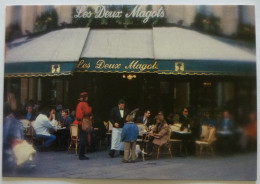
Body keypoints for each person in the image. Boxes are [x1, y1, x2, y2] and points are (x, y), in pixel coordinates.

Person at [3, 93, 25, 172]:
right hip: (12, 126)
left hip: (9, 126)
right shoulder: (13, 106)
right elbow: (14, 116)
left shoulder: (6, 105)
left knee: (7, 143)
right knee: (13, 143)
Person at [73, 92, 92, 160]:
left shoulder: (79, 104)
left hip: (79, 123)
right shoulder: (84, 104)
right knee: (83, 139)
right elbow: (87, 112)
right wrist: (90, 108)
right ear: (85, 97)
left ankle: (81, 154)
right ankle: (81, 155)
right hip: (83, 122)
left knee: (82, 138)